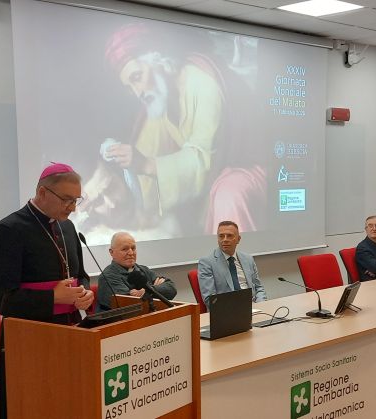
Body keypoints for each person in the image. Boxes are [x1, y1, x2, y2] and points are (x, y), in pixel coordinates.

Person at [80, 23, 266, 238]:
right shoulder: (160, 99)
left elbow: (204, 160)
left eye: (137, 78)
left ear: (157, 60)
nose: (138, 92)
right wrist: (119, 167)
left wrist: (146, 164)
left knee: (229, 195)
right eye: (130, 87)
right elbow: (146, 153)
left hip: (250, 171)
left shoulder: (201, 81)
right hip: (214, 183)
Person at [0, 162, 94, 419]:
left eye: (76, 200)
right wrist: (53, 297)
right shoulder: (10, 229)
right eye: (67, 200)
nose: (73, 208)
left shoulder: (68, 227)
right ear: (43, 192)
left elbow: (81, 276)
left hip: (71, 333)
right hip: (29, 339)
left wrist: (85, 293)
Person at [96, 231, 177, 311]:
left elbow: (171, 289)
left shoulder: (143, 269)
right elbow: (130, 304)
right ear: (111, 252)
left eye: (133, 248)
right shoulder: (107, 277)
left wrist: (146, 291)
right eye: (124, 249)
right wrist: (155, 290)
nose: (131, 253)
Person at [197, 220, 267, 307]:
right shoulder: (207, 262)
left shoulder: (248, 259)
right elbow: (210, 299)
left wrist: (261, 305)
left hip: (253, 307)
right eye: (221, 236)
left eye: (229, 236)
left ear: (238, 239)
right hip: (227, 310)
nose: (225, 240)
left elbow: (258, 288)